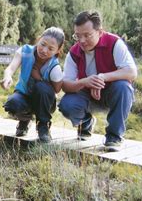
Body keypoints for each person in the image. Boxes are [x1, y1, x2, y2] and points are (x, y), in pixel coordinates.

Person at [58, 10, 137, 151]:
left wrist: (102, 77)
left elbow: (131, 72)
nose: (82, 40)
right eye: (78, 36)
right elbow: (66, 85)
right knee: (66, 105)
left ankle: (114, 137)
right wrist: (84, 82)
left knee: (124, 87)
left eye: (87, 35)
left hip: (112, 94)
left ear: (100, 32)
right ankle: (86, 122)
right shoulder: (74, 52)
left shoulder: (114, 43)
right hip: (87, 95)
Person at [0, 27, 65, 142]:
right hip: (24, 95)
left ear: (58, 50)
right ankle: (25, 120)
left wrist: (39, 78)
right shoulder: (25, 51)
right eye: (43, 44)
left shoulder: (55, 67)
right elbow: (10, 68)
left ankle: (43, 126)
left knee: (41, 88)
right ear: (39, 39)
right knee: (12, 104)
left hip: (45, 102)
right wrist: (7, 77)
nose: (44, 50)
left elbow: (57, 90)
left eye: (50, 48)